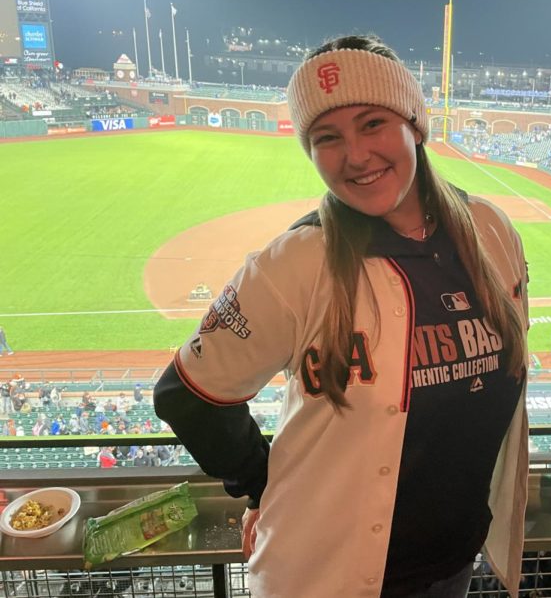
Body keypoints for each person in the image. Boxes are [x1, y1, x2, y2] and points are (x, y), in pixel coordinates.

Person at [154, 35, 530, 598]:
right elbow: (187, 394)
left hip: (453, 563)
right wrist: (264, 485)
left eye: (373, 123)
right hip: (324, 573)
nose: (354, 155)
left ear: (415, 124)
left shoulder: (492, 232)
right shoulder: (296, 261)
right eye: (327, 138)